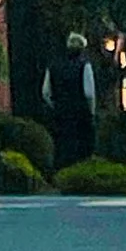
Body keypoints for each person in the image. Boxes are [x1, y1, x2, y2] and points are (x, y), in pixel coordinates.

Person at [44, 29, 98, 172]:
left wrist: (55, 105)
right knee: (81, 147)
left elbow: (45, 92)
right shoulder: (84, 65)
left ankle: (61, 173)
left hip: (60, 112)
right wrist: (91, 112)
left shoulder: (53, 65)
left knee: (62, 144)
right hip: (80, 113)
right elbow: (89, 93)